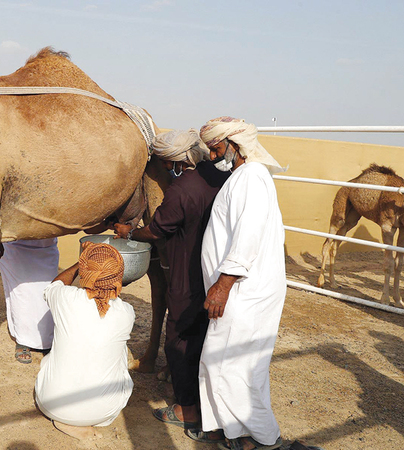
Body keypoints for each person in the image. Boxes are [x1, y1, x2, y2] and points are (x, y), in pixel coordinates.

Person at [112, 129, 229, 440]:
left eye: (165, 164)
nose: (165, 170)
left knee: (178, 336)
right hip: (213, 270)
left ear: (176, 162)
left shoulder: (181, 190)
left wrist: (129, 233)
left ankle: (186, 409)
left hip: (186, 269)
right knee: (203, 334)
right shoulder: (217, 178)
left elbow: (157, 230)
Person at [197, 116, 286, 450]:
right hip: (242, 289)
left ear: (235, 145)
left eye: (216, 148)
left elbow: (247, 237)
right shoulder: (244, 177)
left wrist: (224, 284)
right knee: (234, 364)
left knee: (231, 365)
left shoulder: (251, 177)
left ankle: (263, 439)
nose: (212, 156)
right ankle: (236, 433)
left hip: (242, 290)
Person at [34, 242, 135, 440]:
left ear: (85, 272)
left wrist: (82, 261)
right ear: (119, 277)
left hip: (51, 405)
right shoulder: (126, 312)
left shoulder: (66, 297)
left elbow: (56, 283)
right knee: (120, 351)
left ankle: (69, 418)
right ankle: (83, 417)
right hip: (104, 412)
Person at [0, 239, 59, 364]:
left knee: (46, 294)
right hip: (16, 243)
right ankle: (23, 340)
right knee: (21, 293)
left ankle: (48, 340)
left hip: (46, 244)